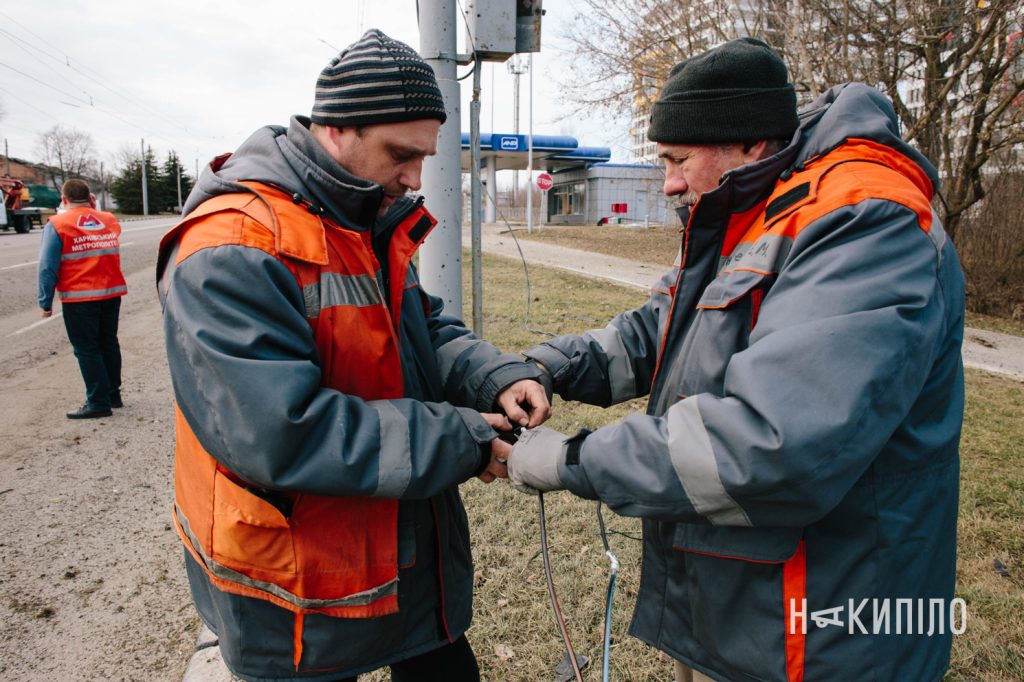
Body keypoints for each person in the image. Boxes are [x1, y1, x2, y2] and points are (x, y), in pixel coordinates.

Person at [508, 38, 964, 682]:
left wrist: (568, 460)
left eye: (677, 159)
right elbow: (660, 329)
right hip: (753, 602)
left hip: (831, 619)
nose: (667, 182)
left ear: (749, 143)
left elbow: (770, 444)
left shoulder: (864, 218)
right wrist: (544, 366)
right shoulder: (764, 206)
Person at [156, 29, 545, 682]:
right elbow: (283, 431)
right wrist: (466, 440)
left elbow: (423, 330)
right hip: (293, 591)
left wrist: (493, 378)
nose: (416, 178)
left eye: (425, 156)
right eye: (400, 153)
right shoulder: (233, 249)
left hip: (392, 556)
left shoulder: (366, 218)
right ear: (335, 129)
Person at [37, 178, 127, 419]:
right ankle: (112, 395)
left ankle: (98, 402)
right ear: (90, 198)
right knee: (108, 342)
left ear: (64, 200)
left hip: (80, 297)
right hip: (111, 293)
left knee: (87, 348)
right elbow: (101, 230)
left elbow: (47, 266)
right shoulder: (108, 219)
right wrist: (92, 209)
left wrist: (45, 301)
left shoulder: (57, 224)